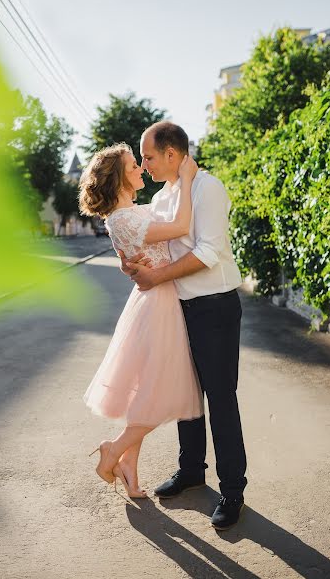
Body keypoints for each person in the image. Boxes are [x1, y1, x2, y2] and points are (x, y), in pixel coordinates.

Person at [119, 121, 247, 530]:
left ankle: (232, 491)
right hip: (179, 307)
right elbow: (148, 238)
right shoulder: (162, 195)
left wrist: (157, 277)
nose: (145, 163)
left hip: (215, 308)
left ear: (172, 154)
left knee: (220, 398)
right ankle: (191, 470)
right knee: (186, 396)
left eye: (149, 156)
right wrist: (132, 260)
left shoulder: (207, 188)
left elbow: (208, 251)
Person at [79, 142, 203, 499]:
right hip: (157, 307)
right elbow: (181, 225)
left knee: (149, 392)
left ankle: (129, 467)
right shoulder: (128, 218)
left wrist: (126, 263)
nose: (139, 169)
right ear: (119, 179)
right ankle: (113, 450)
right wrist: (188, 176)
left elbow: (129, 254)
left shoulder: (128, 214)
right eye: (134, 165)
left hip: (155, 302)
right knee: (161, 393)